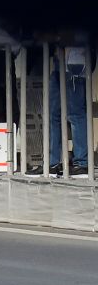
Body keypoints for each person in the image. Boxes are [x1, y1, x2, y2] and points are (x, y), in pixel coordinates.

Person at [32, 27, 90, 176]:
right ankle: (53, 163)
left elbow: (70, 34)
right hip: (60, 60)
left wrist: (53, 36)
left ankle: (82, 164)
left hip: (76, 60)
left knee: (76, 113)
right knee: (53, 114)